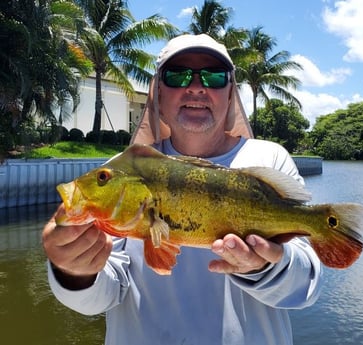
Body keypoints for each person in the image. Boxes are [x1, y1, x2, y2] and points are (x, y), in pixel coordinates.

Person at [42, 34, 322, 345]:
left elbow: (306, 285)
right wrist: (73, 269)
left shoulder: (268, 160)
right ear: (158, 92)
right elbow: (103, 294)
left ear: (231, 93)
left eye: (214, 76)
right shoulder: (121, 170)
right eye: (178, 75)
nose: (197, 86)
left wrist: (266, 265)